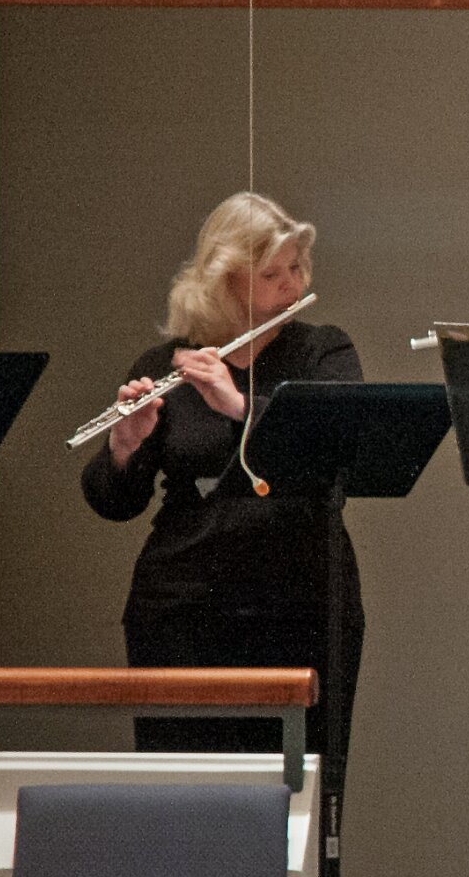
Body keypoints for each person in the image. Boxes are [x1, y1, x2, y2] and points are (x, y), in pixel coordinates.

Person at [80, 192, 367, 769]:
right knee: (184, 785)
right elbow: (116, 503)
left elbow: (338, 449)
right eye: (271, 274)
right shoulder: (167, 363)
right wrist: (124, 446)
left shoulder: (323, 353)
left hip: (303, 602)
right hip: (182, 607)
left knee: (299, 785)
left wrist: (238, 405)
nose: (291, 285)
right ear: (224, 281)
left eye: (295, 268)